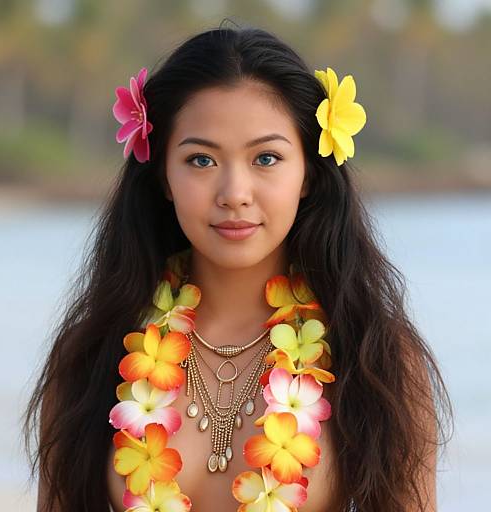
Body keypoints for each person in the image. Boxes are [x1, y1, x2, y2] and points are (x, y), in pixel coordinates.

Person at [23, 20, 453, 512]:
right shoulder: (90, 354)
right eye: (201, 160)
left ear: (309, 174)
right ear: (163, 176)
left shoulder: (376, 356)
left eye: (266, 158)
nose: (234, 195)